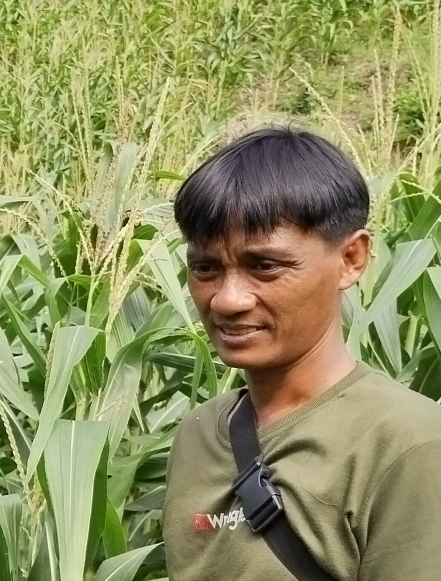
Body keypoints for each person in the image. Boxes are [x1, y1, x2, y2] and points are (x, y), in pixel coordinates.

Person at [162, 127, 441, 580]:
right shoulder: (197, 434)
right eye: (206, 268)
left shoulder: (411, 446)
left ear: (351, 258)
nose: (228, 299)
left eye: (265, 266)